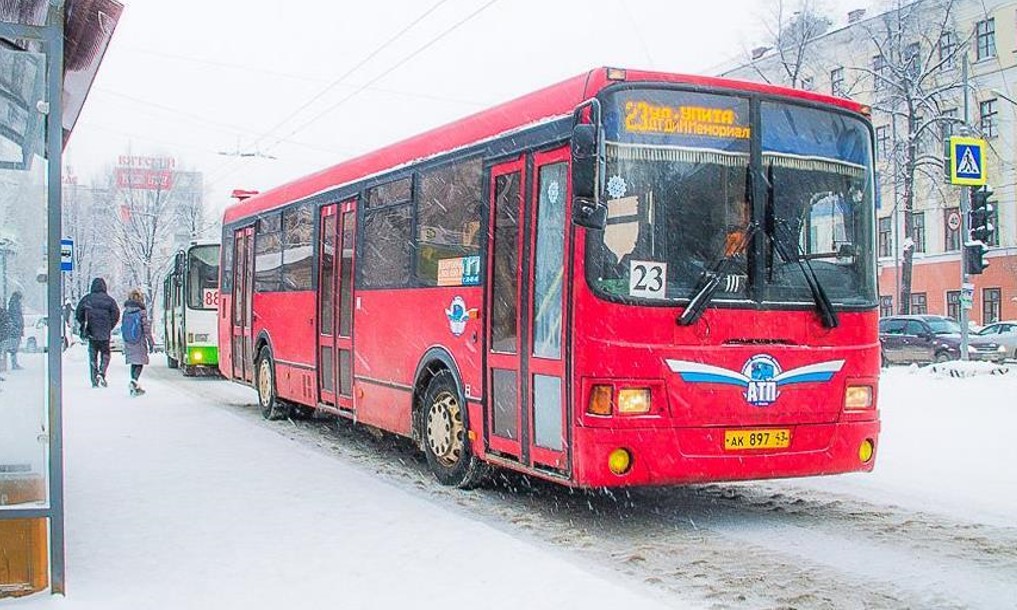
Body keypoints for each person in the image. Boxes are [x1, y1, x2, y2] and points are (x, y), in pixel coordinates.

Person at [75, 277, 120, 388]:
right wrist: (109, 326)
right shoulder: (110, 300)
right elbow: (116, 315)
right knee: (106, 354)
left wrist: (84, 324)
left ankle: (94, 380)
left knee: (93, 355)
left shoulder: (87, 299)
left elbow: (78, 313)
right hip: (105, 333)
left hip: (91, 332)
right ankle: (102, 372)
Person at [121, 288, 155, 396]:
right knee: (140, 362)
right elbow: (146, 328)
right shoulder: (141, 312)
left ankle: (133, 383)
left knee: (133, 362)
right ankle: (134, 381)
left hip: (129, 341)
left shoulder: (126, 312)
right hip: (139, 340)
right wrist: (150, 341)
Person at [6, 291, 24, 369]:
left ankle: (14, 363)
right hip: (16, 329)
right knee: (14, 347)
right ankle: (14, 364)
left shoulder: (13, 303)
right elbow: (16, 317)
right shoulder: (15, 304)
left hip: (15, 329)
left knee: (14, 347)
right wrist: (18, 326)